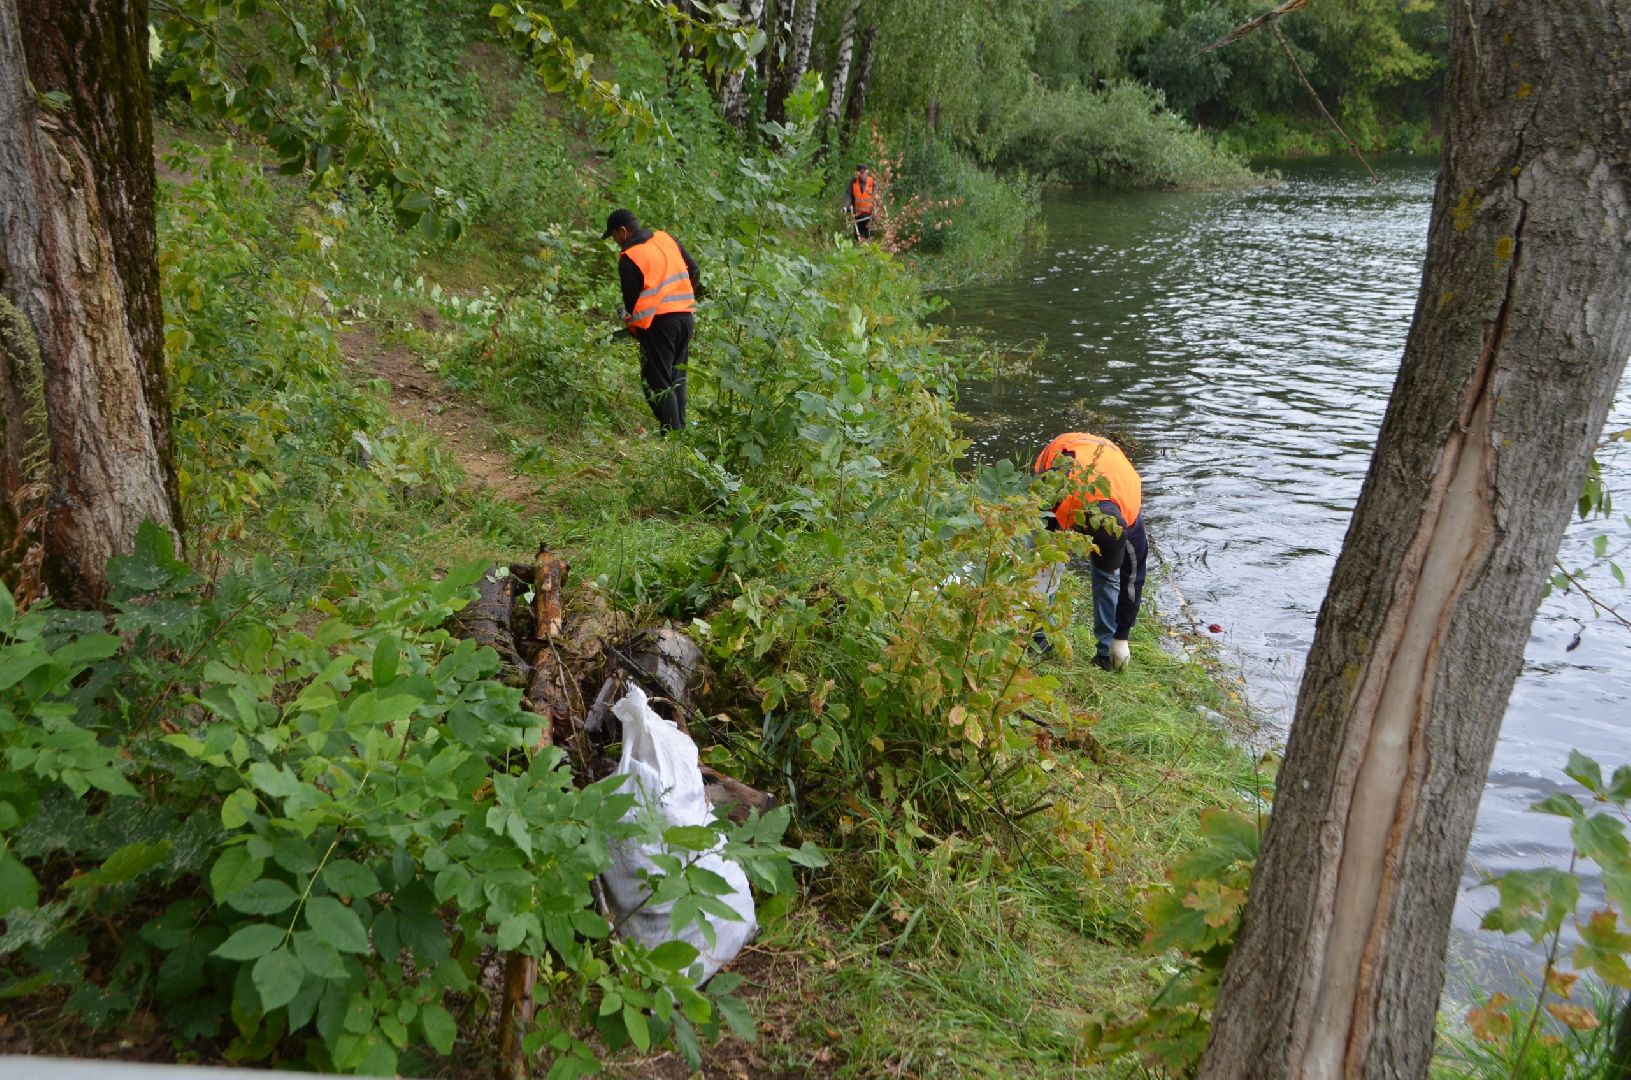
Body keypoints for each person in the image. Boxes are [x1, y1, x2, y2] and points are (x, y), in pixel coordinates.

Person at [1034, 432, 1147, 671]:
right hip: (1065, 454)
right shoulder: (1054, 487)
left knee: (1109, 578)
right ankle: (1038, 635)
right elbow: (1037, 552)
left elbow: (1132, 579)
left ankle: (1107, 654)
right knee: (1046, 561)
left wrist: (1122, 637)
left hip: (1112, 469)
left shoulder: (1131, 514)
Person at [603, 208, 699, 432]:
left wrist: (632, 320)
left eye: (614, 235)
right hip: (685, 317)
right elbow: (694, 271)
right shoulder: (665, 238)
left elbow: (631, 301)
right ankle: (679, 433)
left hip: (659, 325)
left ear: (623, 231)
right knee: (677, 378)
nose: (615, 241)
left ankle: (673, 434)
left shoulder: (630, 257)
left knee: (656, 381)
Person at [844, 163, 878, 241]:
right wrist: (845, 206)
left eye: (864, 173)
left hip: (870, 215)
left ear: (867, 172)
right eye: (860, 173)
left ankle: (868, 250)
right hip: (857, 215)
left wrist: (878, 206)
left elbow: (878, 197)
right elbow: (848, 195)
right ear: (857, 173)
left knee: (868, 235)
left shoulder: (872, 182)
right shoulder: (853, 182)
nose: (862, 175)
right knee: (857, 236)